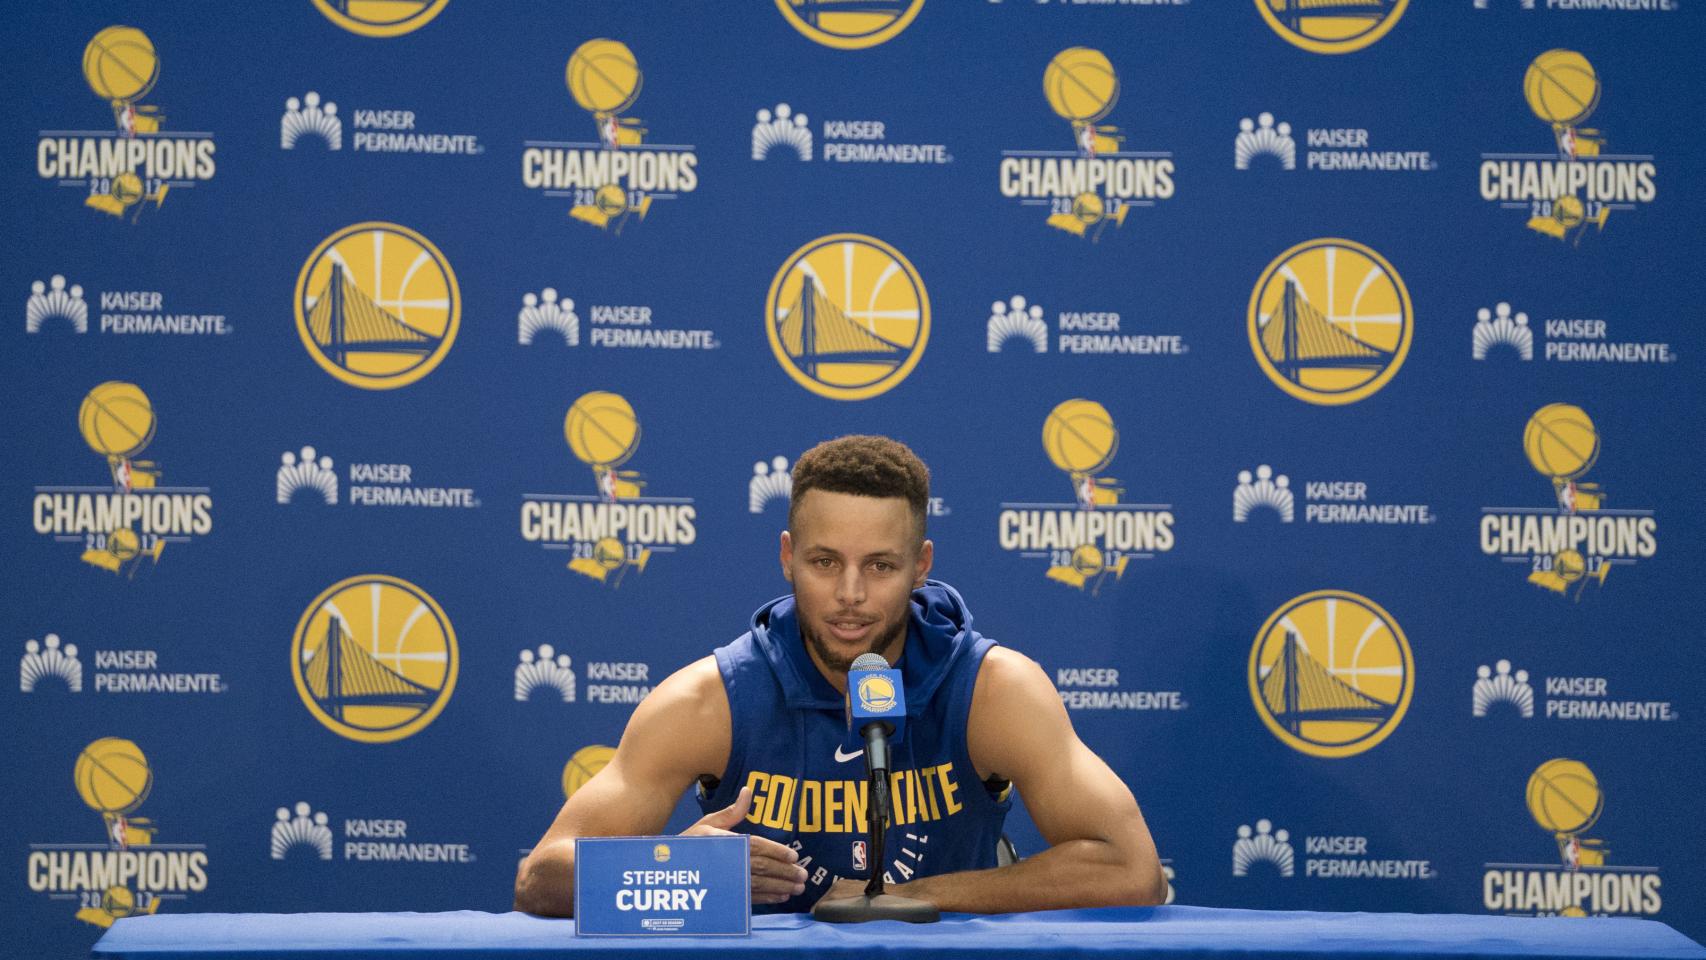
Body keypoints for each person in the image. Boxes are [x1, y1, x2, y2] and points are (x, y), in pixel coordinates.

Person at [514, 435, 1165, 915]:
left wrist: (911, 898)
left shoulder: (993, 691)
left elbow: (1133, 869)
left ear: (920, 566)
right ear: (787, 557)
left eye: (880, 566)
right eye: (825, 562)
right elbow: (540, 879)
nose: (850, 593)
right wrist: (682, 869)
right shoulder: (707, 702)